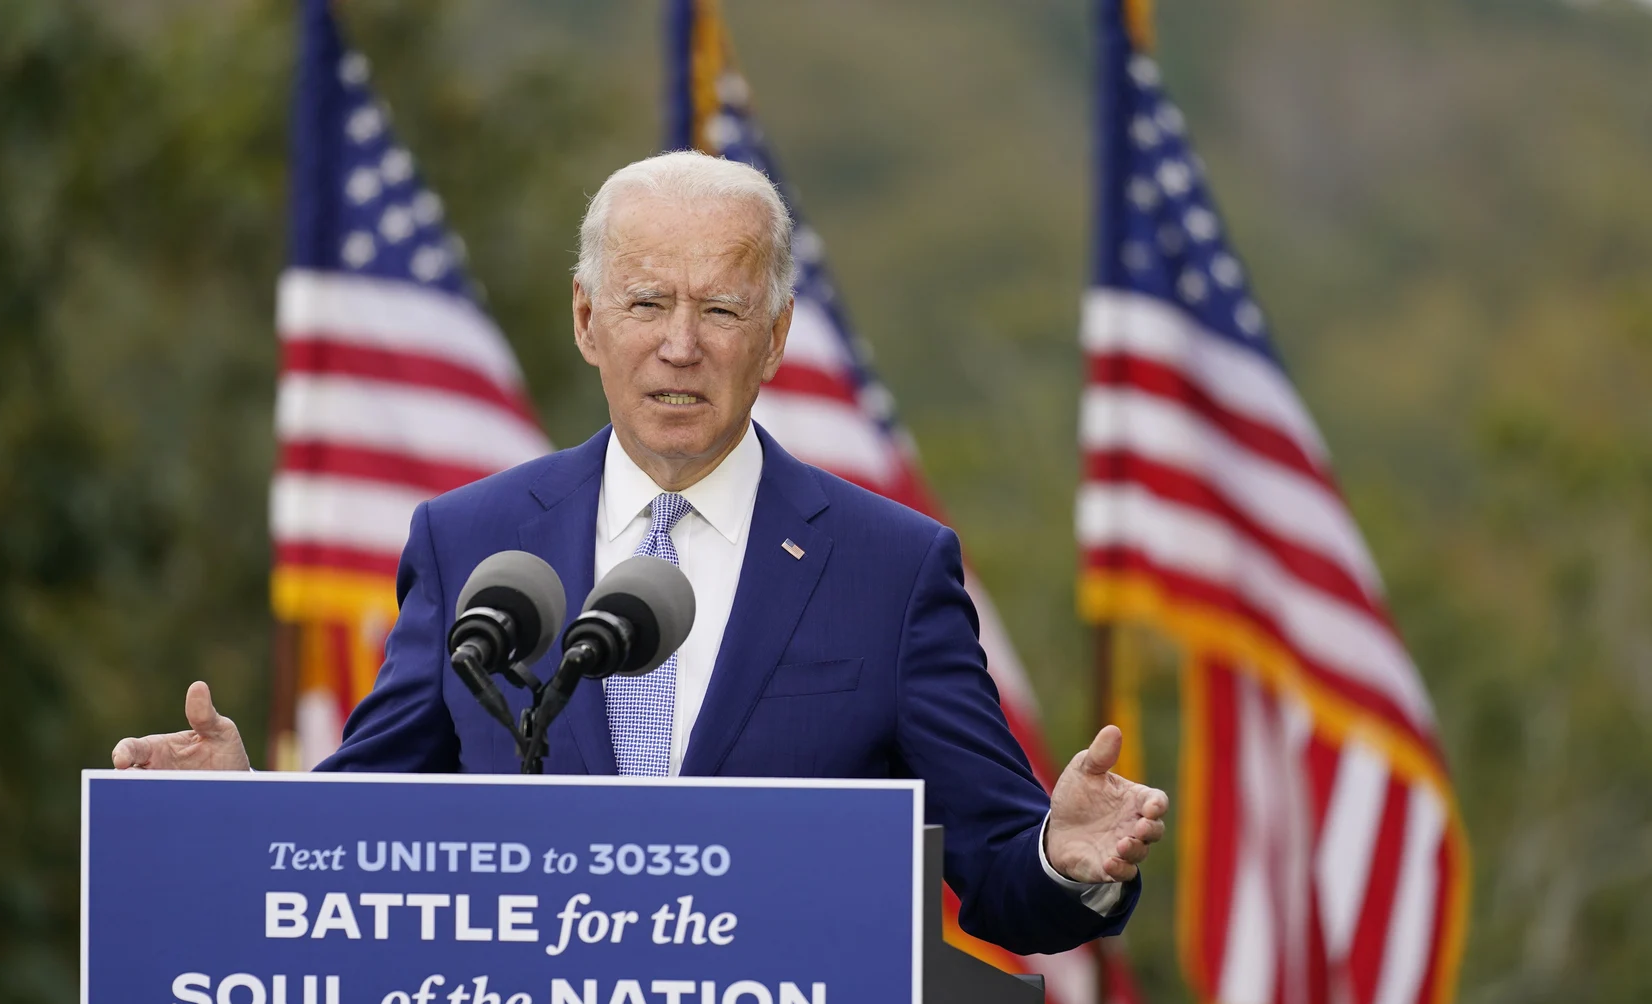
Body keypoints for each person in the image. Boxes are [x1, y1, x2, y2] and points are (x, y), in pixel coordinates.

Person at [111, 151, 1167, 955]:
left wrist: (1061, 857)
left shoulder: (892, 571)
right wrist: (241, 817)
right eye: (646, 301)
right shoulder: (470, 543)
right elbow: (367, 845)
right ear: (585, 318)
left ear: (777, 334)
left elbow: (997, 867)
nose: (680, 344)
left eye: (720, 307)